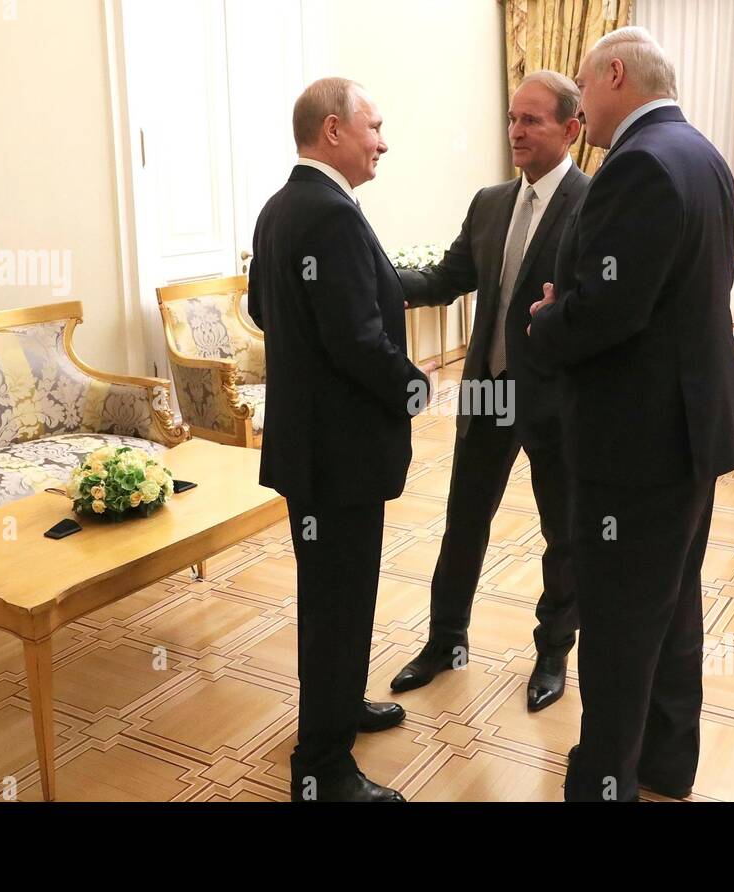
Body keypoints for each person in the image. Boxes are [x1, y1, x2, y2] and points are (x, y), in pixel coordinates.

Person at [527, 27, 734, 802]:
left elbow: (606, 313)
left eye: (584, 88)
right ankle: (664, 763)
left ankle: (604, 782)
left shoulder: (637, 165)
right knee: (673, 607)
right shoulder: (704, 156)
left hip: (635, 445)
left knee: (619, 626)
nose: (581, 105)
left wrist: (549, 319)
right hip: (689, 431)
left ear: (615, 74)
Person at [249, 77, 435, 802]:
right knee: (339, 604)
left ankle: (340, 705)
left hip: (309, 451)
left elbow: (265, 309)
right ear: (333, 130)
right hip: (341, 457)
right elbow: (359, 339)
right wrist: (414, 386)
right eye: (375, 127)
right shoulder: (331, 215)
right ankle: (323, 768)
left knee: (332, 599)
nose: (383, 142)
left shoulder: (280, 208)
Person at [389, 71, 589, 712]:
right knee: (463, 522)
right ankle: (446, 641)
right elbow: (446, 277)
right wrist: (371, 275)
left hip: (555, 401)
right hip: (485, 392)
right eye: (512, 119)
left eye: (532, 120)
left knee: (563, 533)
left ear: (571, 128)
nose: (516, 132)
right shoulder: (490, 202)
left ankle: (553, 652)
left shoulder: (593, 202)